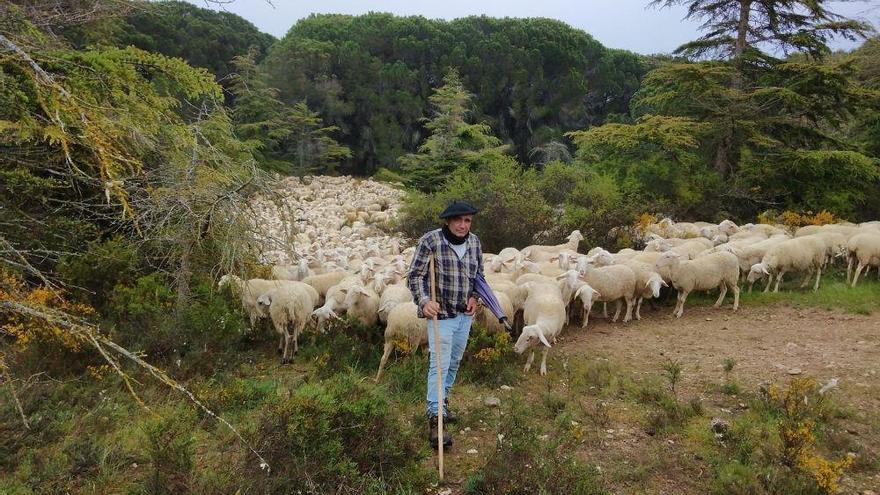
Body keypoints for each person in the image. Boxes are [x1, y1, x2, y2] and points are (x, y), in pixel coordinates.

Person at [406, 200, 483, 449]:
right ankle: (434, 421)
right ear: (448, 221)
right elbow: (415, 275)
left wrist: (475, 297)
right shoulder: (431, 241)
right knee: (438, 366)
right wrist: (424, 301)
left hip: (464, 316)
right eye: (458, 220)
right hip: (441, 316)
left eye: (467, 220)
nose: (463, 225)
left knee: (454, 363)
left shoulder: (474, 243)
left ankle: (443, 403)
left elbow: (479, 277)